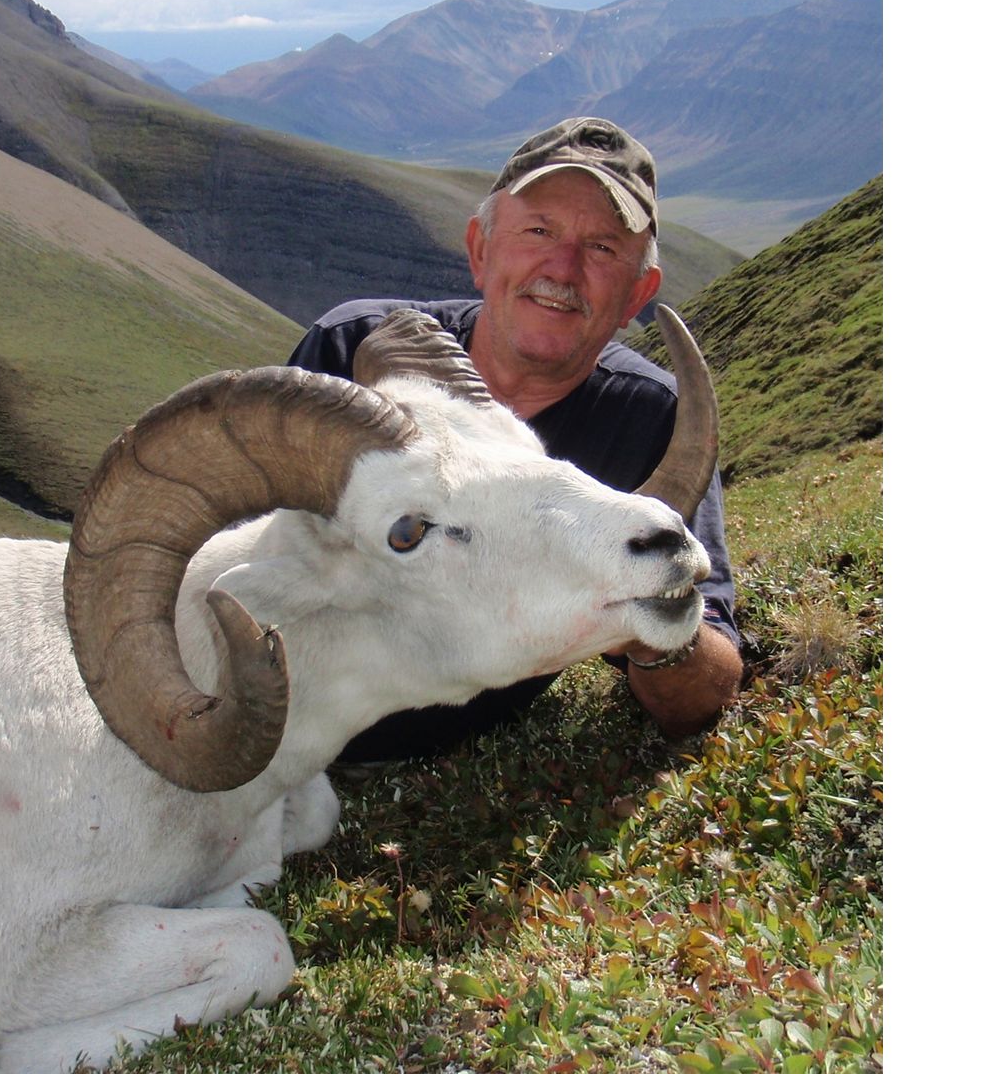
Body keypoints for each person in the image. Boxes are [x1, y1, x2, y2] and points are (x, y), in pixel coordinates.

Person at [289, 117, 743, 761]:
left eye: (603, 247)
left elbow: (706, 689)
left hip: (445, 771)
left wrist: (648, 623)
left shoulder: (653, 420)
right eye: (538, 231)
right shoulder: (344, 354)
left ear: (638, 293)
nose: (562, 269)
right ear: (480, 250)